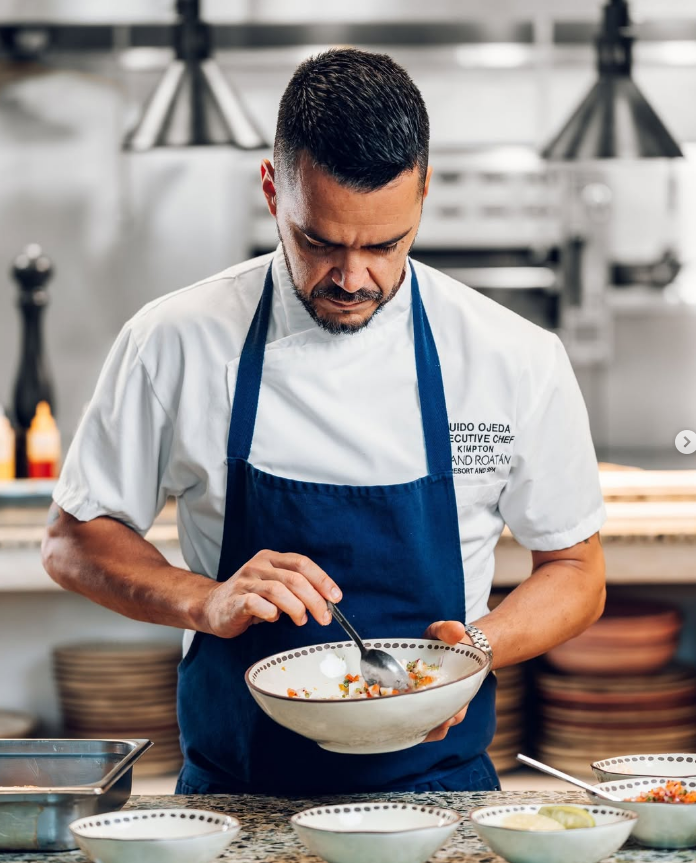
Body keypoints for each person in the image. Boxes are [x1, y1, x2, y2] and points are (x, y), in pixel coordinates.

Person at [43, 48, 606, 795]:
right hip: (235, 799)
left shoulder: (512, 357)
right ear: (273, 189)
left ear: (424, 192)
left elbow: (577, 570)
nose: (352, 277)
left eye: (384, 244)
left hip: (440, 796)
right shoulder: (174, 339)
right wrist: (201, 598)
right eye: (319, 241)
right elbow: (73, 540)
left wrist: (477, 646)